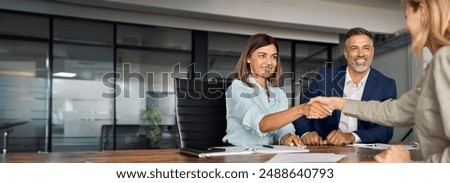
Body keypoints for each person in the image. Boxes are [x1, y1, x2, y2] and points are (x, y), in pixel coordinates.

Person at [310, 0, 450, 162]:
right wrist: (338, 103)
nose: (405, 25)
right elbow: (396, 111)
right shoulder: (433, 68)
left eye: (406, 16)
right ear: (346, 52)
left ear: (423, 12)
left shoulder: (445, 59)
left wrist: (409, 166)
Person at [222, 33, 332, 147]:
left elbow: (284, 128)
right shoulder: (237, 88)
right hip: (241, 156)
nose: (269, 62)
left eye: (274, 57)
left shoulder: (279, 94)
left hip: (270, 153)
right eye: (262, 55)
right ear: (248, 58)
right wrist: (302, 109)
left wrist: (286, 137)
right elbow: (262, 124)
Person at [293, 27, 396, 146]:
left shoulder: (386, 84)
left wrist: (352, 136)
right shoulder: (325, 77)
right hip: (326, 148)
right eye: (354, 48)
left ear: (372, 52)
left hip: (364, 152)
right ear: (346, 53)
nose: (361, 54)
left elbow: (386, 130)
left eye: (366, 48)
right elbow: (302, 110)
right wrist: (306, 133)